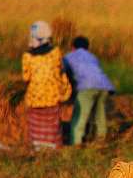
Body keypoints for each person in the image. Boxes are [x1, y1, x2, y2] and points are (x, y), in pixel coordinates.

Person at [21, 20, 72, 151]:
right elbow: (60, 69)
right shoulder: (56, 52)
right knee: (53, 122)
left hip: (34, 98)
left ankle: (38, 145)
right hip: (53, 96)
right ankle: (53, 145)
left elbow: (26, 78)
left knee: (36, 122)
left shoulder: (27, 56)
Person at [63, 36, 115, 145]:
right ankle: (102, 143)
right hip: (104, 87)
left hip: (87, 88)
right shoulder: (92, 57)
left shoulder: (68, 57)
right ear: (88, 48)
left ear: (72, 47)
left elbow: (64, 74)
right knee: (100, 118)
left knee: (79, 119)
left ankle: (76, 145)